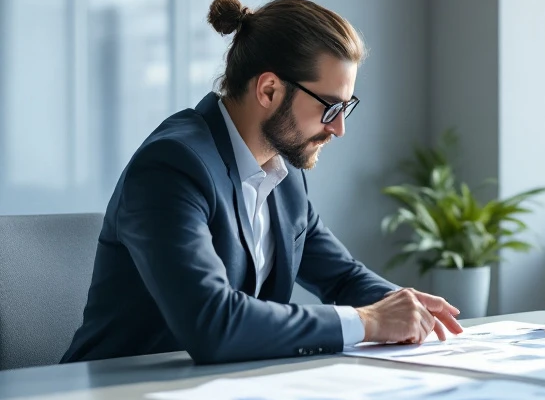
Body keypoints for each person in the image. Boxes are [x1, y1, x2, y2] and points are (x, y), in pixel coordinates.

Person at [62, 0, 463, 365]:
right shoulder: (172, 166)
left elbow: (342, 277)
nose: (339, 128)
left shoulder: (282, 175)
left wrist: (411, 308)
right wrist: (367, 322)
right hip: (117, 388)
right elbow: (212, 322)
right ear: (269, 89)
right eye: (330, 107)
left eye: (347, 107)